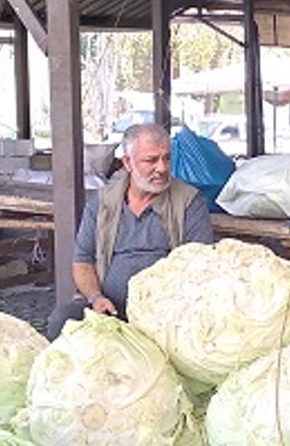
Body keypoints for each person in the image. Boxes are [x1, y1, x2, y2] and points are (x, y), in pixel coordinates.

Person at [46, 123, 215, 339]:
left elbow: (201, 266)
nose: (162, 168)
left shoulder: (189, 202)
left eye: (167, 158)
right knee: (61, 320)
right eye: (151, 160)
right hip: (109, 309)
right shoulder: (102, 202)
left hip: (166, 314)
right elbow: (82, 261)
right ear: (128, 162)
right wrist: (96, 298)